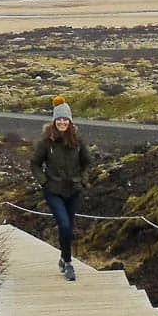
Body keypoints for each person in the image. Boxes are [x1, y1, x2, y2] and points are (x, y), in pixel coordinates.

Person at [30, 98, 92, 281]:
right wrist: (44, 182)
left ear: (70, 121)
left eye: (65, 119)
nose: (62, 122)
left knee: (69, 227)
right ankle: (68, 262)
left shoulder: (78, 142)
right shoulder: (46, 143)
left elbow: (87, 163)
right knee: (64, 224)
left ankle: (63, 258)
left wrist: (83, 180)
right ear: (54, 121)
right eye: (59, 119)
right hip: (54, 190)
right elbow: (35, 164)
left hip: (74, 190)